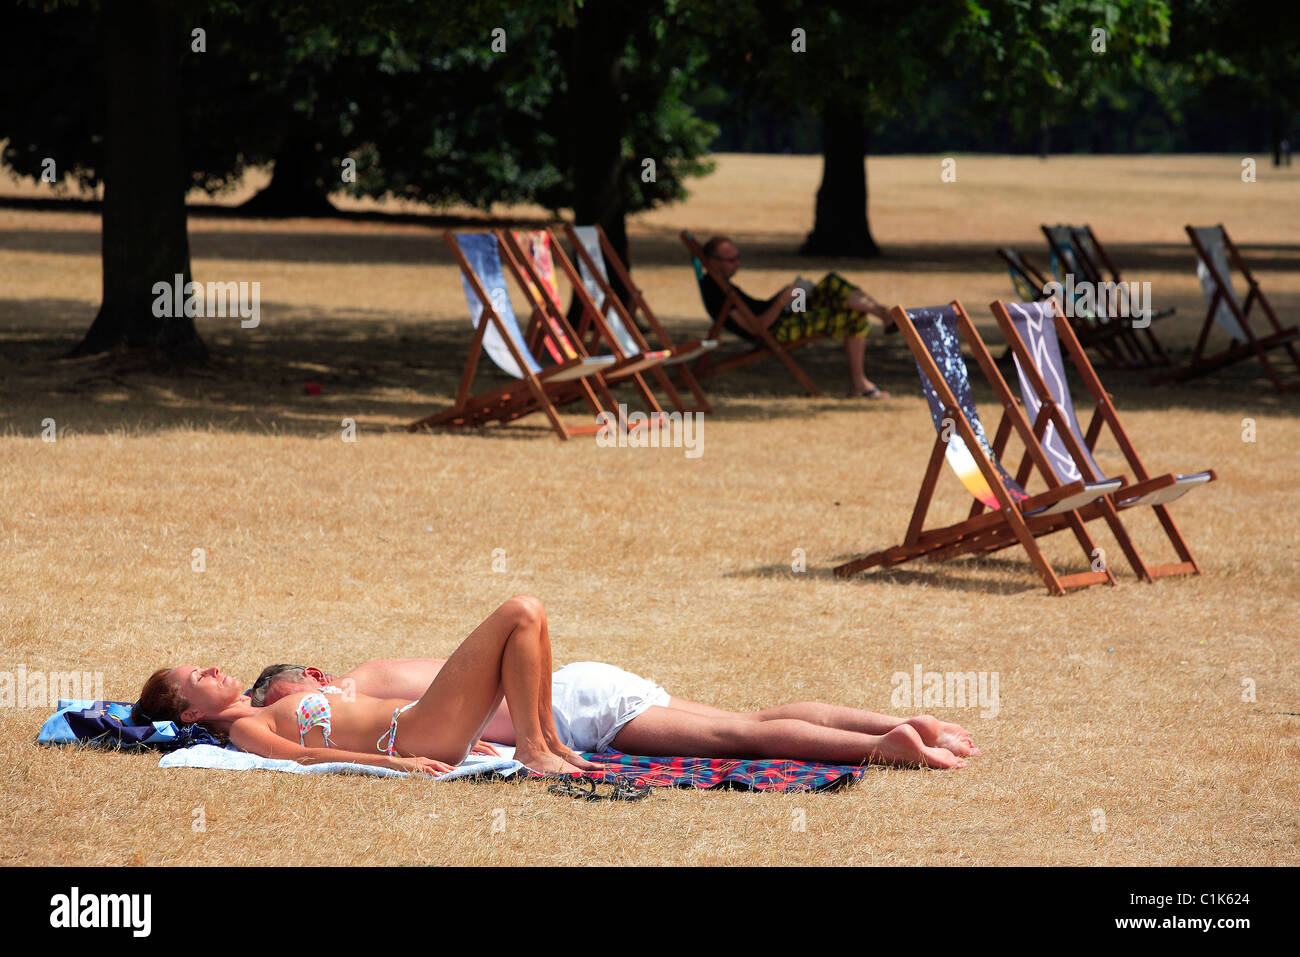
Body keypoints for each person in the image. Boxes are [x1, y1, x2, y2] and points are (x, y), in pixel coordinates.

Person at [140, 597, 979, 771]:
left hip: (447, 724)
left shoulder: (295, 697)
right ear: (186, 709)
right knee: (745, 725)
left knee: (526, 613)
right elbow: (306, 761)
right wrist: (395, 764)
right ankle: (890, 737)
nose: (211, 669)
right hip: (419, 735)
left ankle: (890, 737)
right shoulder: (243, 726)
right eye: (195, 677)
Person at [698, 235, 896, 398]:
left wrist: (783, 296)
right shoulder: (717, 293)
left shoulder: (718, 283)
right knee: (853, 316)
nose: (737, 264)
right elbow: (756, 328)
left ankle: (884, 315)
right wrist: (782, 300)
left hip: (784, 315)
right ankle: (859, 382)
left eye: (738, 258)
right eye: (731, 260)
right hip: (778, 330)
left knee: (831, 282)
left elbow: (757, 310)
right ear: (713, 262)